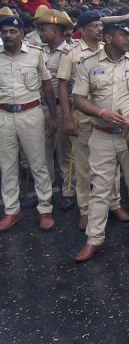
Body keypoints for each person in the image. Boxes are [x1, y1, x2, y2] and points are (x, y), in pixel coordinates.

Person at [71, 15, 129, 262]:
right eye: (124, 34)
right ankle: (94, 239)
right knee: (99, 187)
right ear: (109, 38)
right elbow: (78, 98)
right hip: (101, 134)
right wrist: (101, 113)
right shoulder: (88, 63)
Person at [58, 9, 128, 230]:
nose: (99, 30)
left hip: (109, 117)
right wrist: (67, 118)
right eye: (94, 26)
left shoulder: (108, 49)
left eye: (100, 26)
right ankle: (86, 210)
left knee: (112, 162)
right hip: (84, 116)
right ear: (82, 29)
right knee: (84, 165)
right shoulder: (72, 53)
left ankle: (114, 203)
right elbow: (63, 86)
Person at [0, 15, 58, 231]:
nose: (8, 35)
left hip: (31, 112)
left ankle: (45, 208)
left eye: (13, 31)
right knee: (7, 166)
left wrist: (53, 117)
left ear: (22, 33)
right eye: (4, 32)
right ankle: (12, 211)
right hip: (4, 115)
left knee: (38, 163)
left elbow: (47, 86)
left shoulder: (35, 54)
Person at [36, 9, 74, 209]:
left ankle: (68, 189)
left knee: (64, 150)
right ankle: (47, 189)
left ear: (57, 31)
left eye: (45, 29)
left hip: (61, 107)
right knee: (43, 151)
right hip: (41, 106)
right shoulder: (39, 51)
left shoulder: (70, 53)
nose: (41, 33)